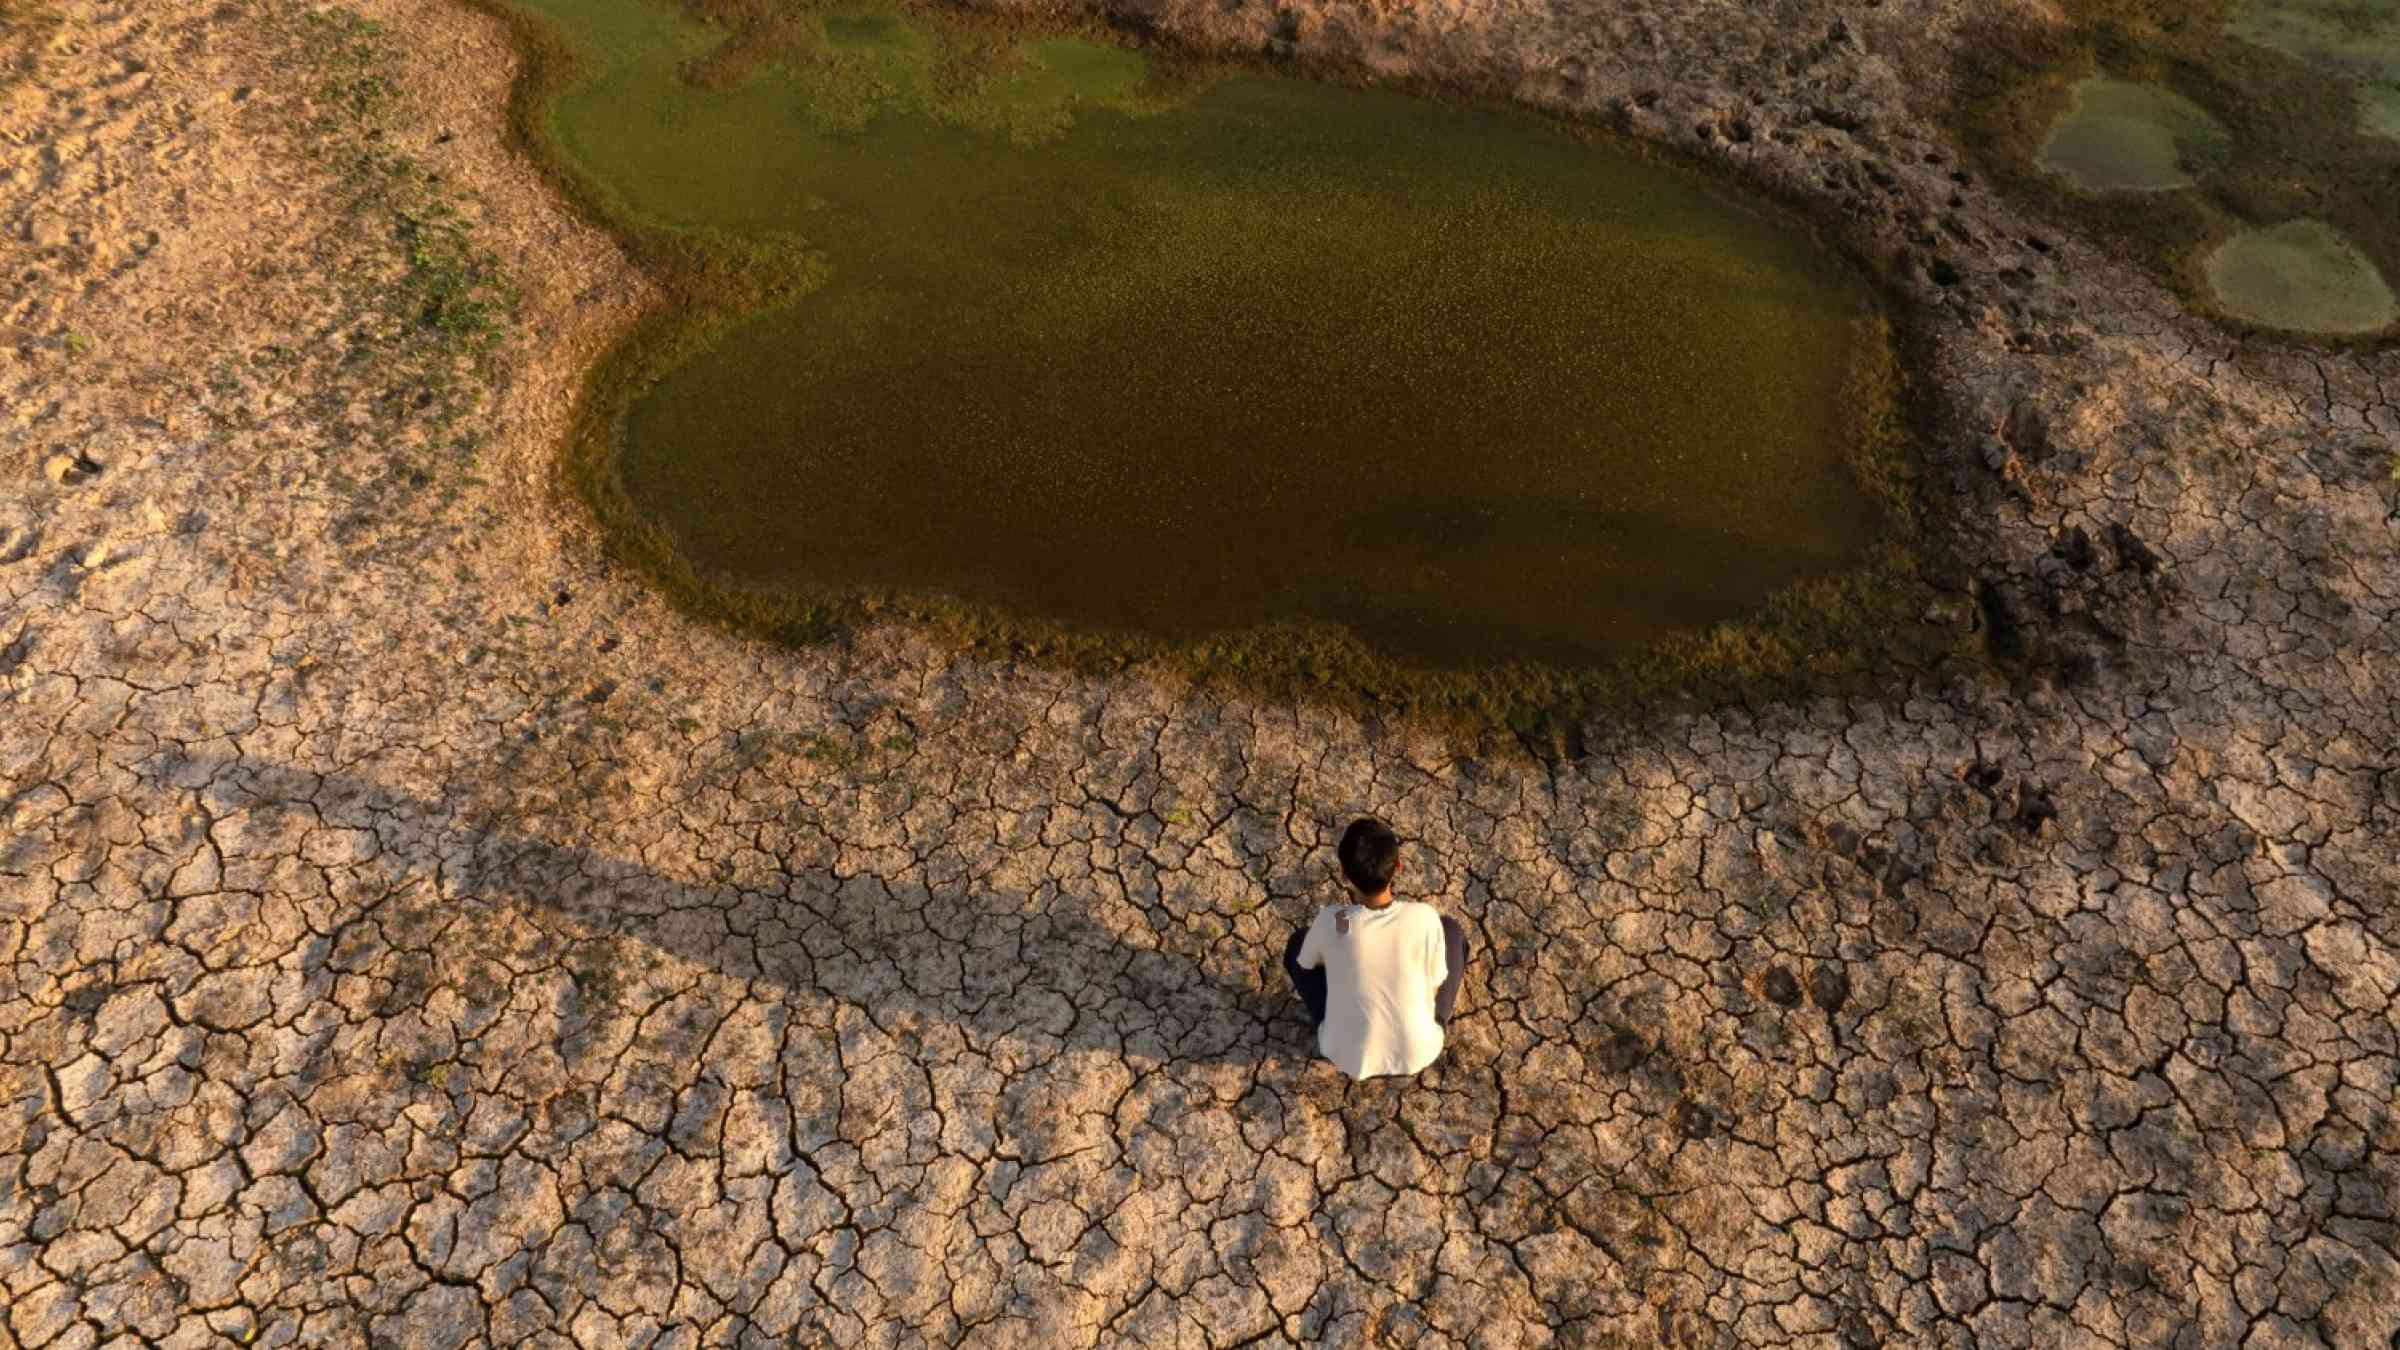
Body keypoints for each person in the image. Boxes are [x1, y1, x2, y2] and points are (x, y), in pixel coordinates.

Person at [1282, 817, 1468, 1079]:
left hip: (1348, 1054)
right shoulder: (1422, 917)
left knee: (1298, 944)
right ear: (1399, 866)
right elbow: (1437, 981)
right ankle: (1436, 1018)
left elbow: (1306, 963)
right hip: (1417, 1051)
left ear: (1345, 876)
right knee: (1451, 931)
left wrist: (1345, 957)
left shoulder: (1337, 920)